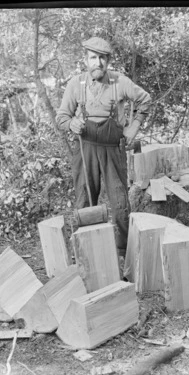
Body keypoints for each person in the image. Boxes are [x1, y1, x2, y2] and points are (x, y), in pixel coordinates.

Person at [56, 37, 151, 272]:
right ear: (85, 60)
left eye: (102, 58)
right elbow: (61, 117)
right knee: (85, 203)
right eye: (93, 57)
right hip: (86, 149)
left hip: (112, 151)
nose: (97, 62)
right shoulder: (76, 84)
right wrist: (72, 124)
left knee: (119, 204)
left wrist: (133, 128)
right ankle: (85, 257)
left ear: (108, 60)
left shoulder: (120, 82)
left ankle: (124, 258)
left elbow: (145, 100)